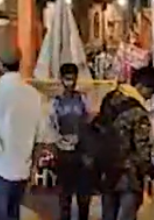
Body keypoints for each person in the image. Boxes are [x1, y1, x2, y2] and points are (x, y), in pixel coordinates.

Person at [0, 52, 44, 220]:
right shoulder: (34, 95)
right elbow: (39, 137)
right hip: (22, 168)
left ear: (0, 65)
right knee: (13, 213)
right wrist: (34, 168)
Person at [94, 65, 154, 220]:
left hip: (107, 171)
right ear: (140, 86)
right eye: (150, 91)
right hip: (129, 176)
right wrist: (151, 172)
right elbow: (142, 147)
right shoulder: (138, 112)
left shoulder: (109, 99)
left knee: (108, 215)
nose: (150, 97)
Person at [50, 63, 93, 220]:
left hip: (81, 152)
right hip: (63, 152)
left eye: (72, 79)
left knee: (83, 196)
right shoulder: (55, 102)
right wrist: (59, 141)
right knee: (65, 196)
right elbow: (52, 126)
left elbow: (89, 121)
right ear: (61, 79)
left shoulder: (83, 98)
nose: (70, 82)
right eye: (67, 79)